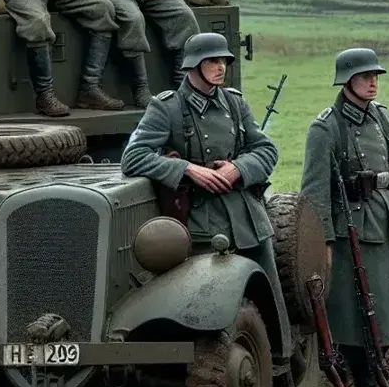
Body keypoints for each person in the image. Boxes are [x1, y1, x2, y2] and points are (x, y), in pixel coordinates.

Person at [120, 32, 291, 367]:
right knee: (206, 307)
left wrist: (238, 169)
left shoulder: (234, 103)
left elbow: (266, 149)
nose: (220, 67)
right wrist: (186, 170)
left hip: (245, 218)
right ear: (194, 66)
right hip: (199, 223)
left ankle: (277, 364)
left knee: (268, 299)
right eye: (213, 61)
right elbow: (134, 157)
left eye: (224, 61)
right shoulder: (166, 107)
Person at [300, 48, 389, 387]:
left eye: (375, 76)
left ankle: (381, 384)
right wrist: (326, 242)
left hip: (385, 226)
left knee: (382, 316)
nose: (373, 82)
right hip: (351, 230)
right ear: (348, 80)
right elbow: (315, 192)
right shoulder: (326, 127)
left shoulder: (383, 118)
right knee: (355, 322)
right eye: (366, 76)